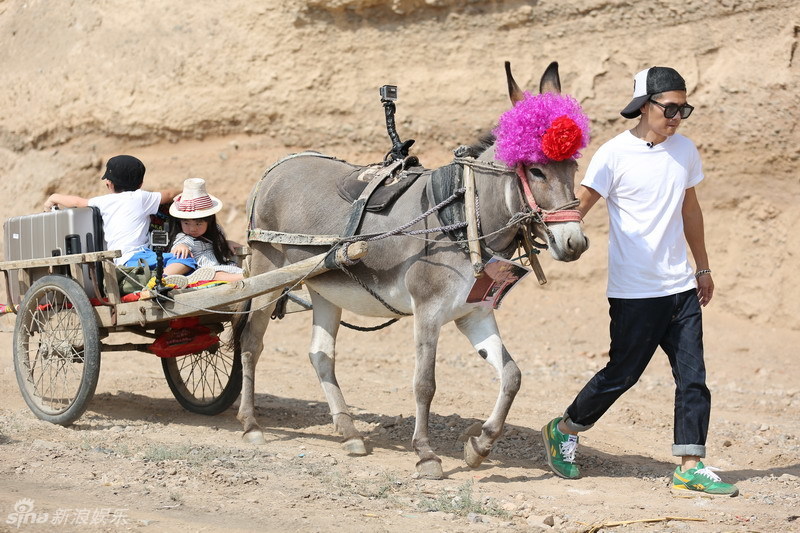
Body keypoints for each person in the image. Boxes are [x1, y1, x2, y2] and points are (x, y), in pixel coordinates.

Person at [541, 66, 739, 497]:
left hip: (680, 287)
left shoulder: (685, 151)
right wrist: (547, 241)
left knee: (693, 377)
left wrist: (702, 268)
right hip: (635, 291)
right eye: (670, 108)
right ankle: (565, 428)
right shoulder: (613, 154)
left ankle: (690, 465)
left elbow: (690, 211)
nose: (677, 117)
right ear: (644, 106)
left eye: (684, 109)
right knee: (623, 374)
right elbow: (581, 207)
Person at [43, 155, 202, 288]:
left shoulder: (103, 201)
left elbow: (78, 202)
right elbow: (169, 194)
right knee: (185, 259)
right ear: (140, 184)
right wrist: (191, 191)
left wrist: (54, 197)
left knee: (175, 262)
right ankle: (160, 281)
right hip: (137, 257)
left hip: (121, 260)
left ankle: (160, 279)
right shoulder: (141, 198)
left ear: (109, 184)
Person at [167, 178, 243, 282]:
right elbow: (178, 246)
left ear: (209, 221)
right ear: (180, 222)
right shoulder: (184, 237)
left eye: (199, 223)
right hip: (203, 271)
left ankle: (243, 275)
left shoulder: (216, 231)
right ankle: (243, 278)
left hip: (219, 265)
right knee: (216, 275)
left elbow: (219, 246)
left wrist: (226, 243)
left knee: (230, 269)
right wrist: (181, 246)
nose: (192, 228)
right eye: (186, 223)